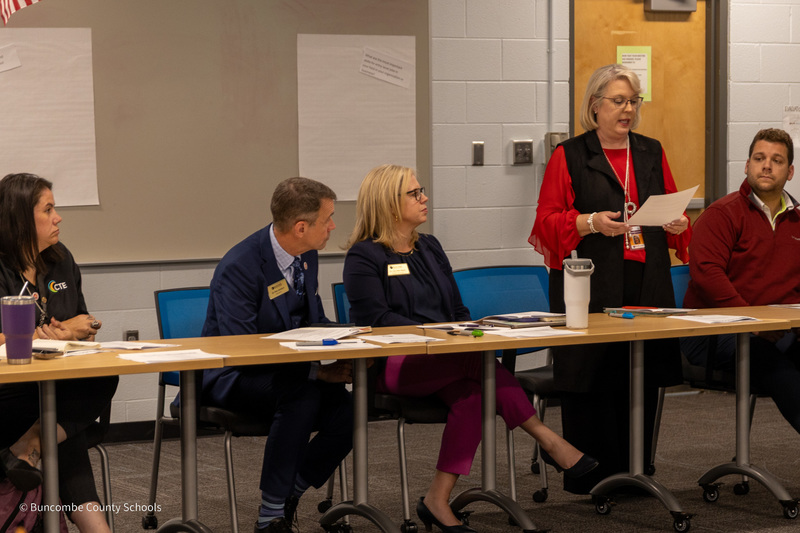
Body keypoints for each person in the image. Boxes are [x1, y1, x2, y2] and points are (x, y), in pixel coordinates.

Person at [343, 164, 597, 533]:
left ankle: (436, 500)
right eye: (414, 193)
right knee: (480, 362)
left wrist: (465, 330)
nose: (424, 197)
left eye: (421, 190)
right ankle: (549, 440)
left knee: (476, 397)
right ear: (388, 203)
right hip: (393, 364)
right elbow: (376, 319)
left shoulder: (429, 246)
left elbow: (457, 310)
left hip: (450, 360)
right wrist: (440, 336)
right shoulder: (364, 256)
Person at [528, 64, 692, 494]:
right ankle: (594, 476)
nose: (628, 110)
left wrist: (678, 223)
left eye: (633, 102)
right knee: (594, 375)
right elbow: (546, 222)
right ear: (594, 106)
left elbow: (673, 206)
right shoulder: (571, 154)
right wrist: (589, 222)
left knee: (639, 373)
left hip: (645, 277)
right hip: (591, 282)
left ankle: (636, 471)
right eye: (618, 101)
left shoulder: (651, 151)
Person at [201, 177, 353, 533]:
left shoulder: (306, 255)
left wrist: (352, 338)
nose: (333, 227)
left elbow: (312, 319)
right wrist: (317, 373)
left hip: (290, 372)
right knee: (300, 396)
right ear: (301, 228)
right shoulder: (240, 266)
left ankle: (290, 493)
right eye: (327, 219)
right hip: (234, 376)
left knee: (351, 409)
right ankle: (269, 518)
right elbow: (242, 348)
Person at [0, 173, 118, 532]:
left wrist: (80, 330)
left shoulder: (61, 259)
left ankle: (29, 447)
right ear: (21, 219)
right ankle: (98, 529)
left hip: (54, 383)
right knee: (56, 419)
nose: (58, 217)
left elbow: (84, 323)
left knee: (102, 374)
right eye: (48, 209)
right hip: (9, 392)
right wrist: (36, 335)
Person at [682, 128, 800, 434]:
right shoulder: (722, 214)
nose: (766, 165)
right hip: (717, 332)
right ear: (747, 165)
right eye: (759, 158)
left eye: (776, 160)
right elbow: (707, 274)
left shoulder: (798, 218)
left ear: (789, 172)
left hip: (779, 329)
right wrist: (754, 322)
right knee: (774, 365)